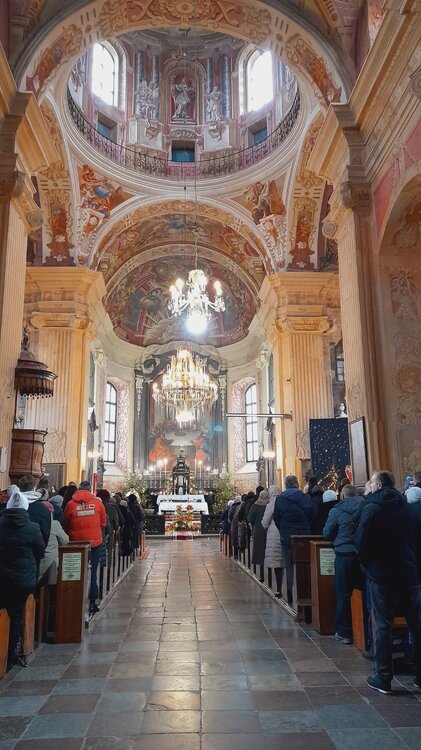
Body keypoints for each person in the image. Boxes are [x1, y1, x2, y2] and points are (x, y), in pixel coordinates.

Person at [355, 470, 421, 694]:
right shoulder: (410, 509)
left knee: (383, 625)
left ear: (379, 485)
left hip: (381, 574)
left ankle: (383, 677)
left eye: (371, 482)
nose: (370, 485)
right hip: (409, 573)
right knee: (417, 624)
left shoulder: (372, 508)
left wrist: (368, 566)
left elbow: (361, 541)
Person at [0, 486, 45, 670]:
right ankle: (10, 656)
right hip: (22, 579)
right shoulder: (32, 528)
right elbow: (40, 551)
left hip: (2, 577)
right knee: (16, 616)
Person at [323, 484, 364, 644]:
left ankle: (344, 632)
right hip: (361, 555)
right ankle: (363, 633)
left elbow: (327, 533)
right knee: (362, 592)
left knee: (343, 593)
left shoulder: (336, 510)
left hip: (343, 554)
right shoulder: (366, 507)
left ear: (342, 495)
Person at [63, 481, 106, 614]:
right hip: (94, 543)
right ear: (90, 490)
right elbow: (103, 523)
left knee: (75, 571)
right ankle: (92, 601)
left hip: (76, 543)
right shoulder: (98, 503)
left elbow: (66, 522)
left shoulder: (70, 504)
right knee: (92, 571)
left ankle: (73, 601)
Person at [273, 475, 313, 605]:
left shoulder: (280, 500)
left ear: (285, 485)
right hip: (304, 535)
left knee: (289, 565)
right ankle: (306, 593)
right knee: (305, 563)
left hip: (287, 535)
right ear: (297, 483)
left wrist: (283, 530)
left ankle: (290, 594)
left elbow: (276, 518)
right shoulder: (305, 498)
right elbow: (311, 514)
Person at [262, 485, 285, 597]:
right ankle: (287, 590)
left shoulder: (271, 504)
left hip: (274, 534)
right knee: (284, 561)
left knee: (276, 562)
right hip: (285, 531)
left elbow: (264, 522)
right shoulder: (285, 502)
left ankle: (278, 588)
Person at [38, 503, 69, 584]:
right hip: (50, 564)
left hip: (36, 562)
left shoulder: (33, 523)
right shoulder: (55, 524)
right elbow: (65, 540)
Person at [18, 474, 51, 545]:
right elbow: (45, 534)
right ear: (34, 488)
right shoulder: (42, 508)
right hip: (32, 548)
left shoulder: (10, 505)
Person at [248, 489, 269, 582]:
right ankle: (270, 573)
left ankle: (261, 574)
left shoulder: (255, 505)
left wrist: (253, 526)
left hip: (258, 530)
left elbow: (250, 518)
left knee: (260, 551)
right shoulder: (269, 504)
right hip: (268, 530)